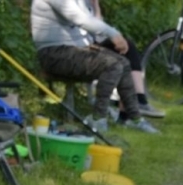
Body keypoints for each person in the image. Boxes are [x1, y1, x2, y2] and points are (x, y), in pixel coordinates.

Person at [30, 0, 159, 133]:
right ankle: (98, 118)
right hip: (54, 54)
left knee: (124, 63)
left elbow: (92, 23)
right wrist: (113, 34)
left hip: (75, 50)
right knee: (112, 65)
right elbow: (79, 18)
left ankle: (133, 118)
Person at [87, 0, 165, 119]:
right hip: (81, 46)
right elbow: (86, 25)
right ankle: (132, 108)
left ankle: (136, 103)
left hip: (93, 42)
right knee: (121, 58)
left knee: (127, 48)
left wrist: (96, 6)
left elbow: (98, 28)